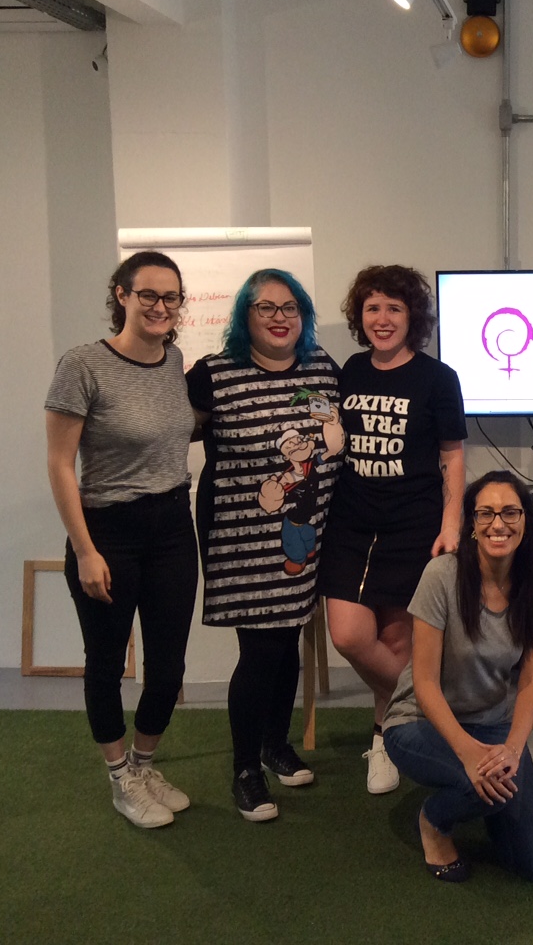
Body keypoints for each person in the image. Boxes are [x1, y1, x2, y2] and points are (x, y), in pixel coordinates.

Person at [44, 251, 198, 829]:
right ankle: (119, 778)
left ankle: (143, 763)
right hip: (107, 531)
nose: (160, 307)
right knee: (106, 664)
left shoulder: (173, 359)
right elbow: (61, 465)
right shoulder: (83, 365)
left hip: (171, 528)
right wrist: (85, 550)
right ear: (121, 296)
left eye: (171, 297)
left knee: (168, 665)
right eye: (148, 295)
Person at [185, 269, 344, 822]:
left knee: (287, 641)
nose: (279, 317)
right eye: (264, 307)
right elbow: (167, 431)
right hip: (239, 537)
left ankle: (276, 744)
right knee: (260, 651)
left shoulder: (324, 369)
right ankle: (245, 768)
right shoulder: (214, 374)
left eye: (289, 307)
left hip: (305, 532)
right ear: (243, 318)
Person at [318, 265, 467, 795]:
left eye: (395, 308)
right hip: (352, 524)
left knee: (397, 639)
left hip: (414, 525)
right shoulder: (349, 372)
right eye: (373, 307)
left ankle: (385, 735)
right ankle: (428, 712)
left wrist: (452, 526)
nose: (383, 319)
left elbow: (452, 456)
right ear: (361, 316)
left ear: (413, 317)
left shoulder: (437, 378)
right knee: (351, 635)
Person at [382, 471, 533, 883]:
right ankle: (434, 821)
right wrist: (468, 753)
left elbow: (532, 682)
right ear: (472, 524)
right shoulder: (441, 576)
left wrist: (512, 750)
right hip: (421, 722)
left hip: (494, 725)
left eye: (510, 512)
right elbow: (423, 683)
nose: (499, 524)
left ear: (526, 522)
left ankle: (487, 801)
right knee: (483, 780)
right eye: (486, 514)